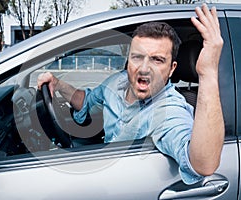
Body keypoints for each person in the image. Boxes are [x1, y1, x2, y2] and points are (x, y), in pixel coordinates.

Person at [37, 4, 224, 185]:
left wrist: (207, 74)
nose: (144, 69)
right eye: (137, 57)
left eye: (157, 60)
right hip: (101, 176)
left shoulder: (169, 110)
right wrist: (58, 84)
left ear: (171, 69)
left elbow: (203, 164)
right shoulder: (117, 82)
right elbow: (86, 101)